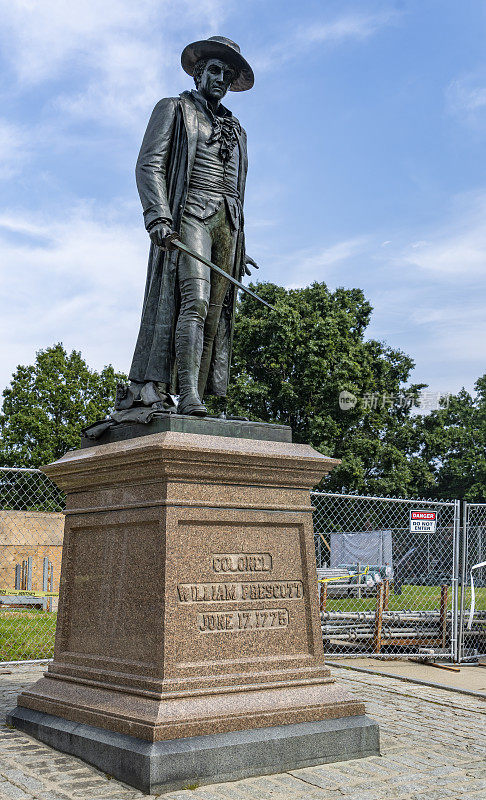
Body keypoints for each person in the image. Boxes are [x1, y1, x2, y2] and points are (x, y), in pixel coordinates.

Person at [122, 36, 257, 417]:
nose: (221, 79)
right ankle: (187, 394)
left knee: (215, 312)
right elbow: (149, 164)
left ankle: (196, 396)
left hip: (227, 223)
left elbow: (238, 187)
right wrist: (158, 216)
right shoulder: (174, 108)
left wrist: (241, 243)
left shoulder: (238, 129)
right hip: (190, 213)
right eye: (214, 70)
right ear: (199, 73)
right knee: (194, 302)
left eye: (228, 75)